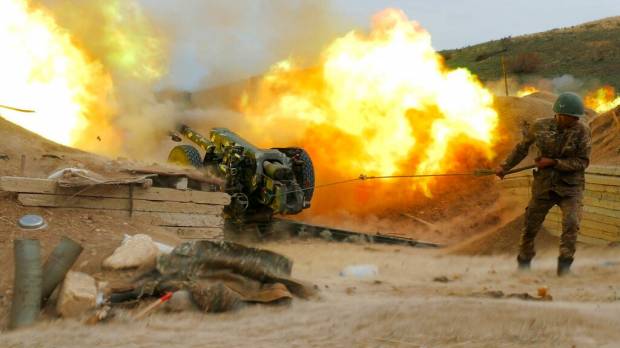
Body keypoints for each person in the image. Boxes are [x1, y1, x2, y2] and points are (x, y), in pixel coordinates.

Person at [495, 92, 591, 276]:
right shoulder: (540, 126)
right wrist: (505, 166)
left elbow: (582, 162)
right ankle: (523, 265)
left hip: (571, 187)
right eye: (571, 117)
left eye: (576, 118)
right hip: (544, 185)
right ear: (559, 114)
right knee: (530, 225)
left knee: (571, 224)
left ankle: (564, 267)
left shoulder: (582, 131)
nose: (574, 121)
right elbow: (522, 148)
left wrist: (554, 163)